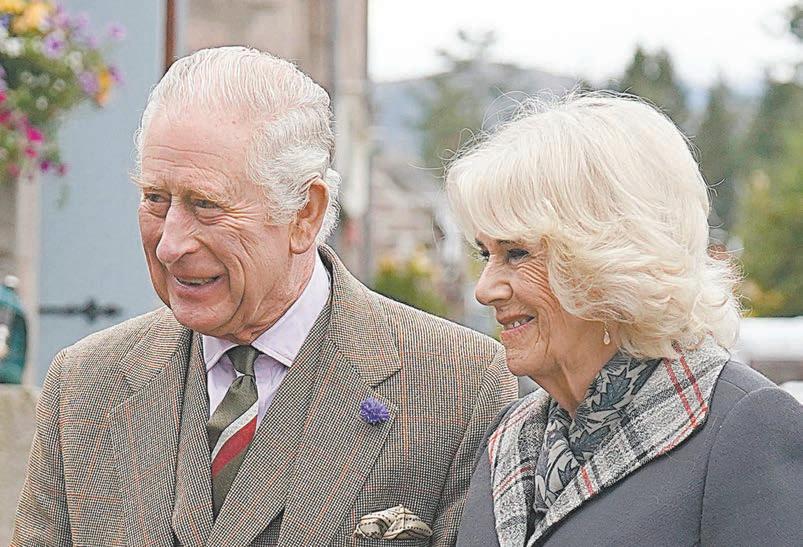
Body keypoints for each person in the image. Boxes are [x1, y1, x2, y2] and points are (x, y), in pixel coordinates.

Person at [12, 47, 517, 546]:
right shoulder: (84, 385)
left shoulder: (461, 386)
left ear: (305, 213)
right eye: (155, 199)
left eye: (205, 204)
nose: (170, 244)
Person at [446, 93, 803, 546]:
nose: (485, 289)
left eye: (516, 253)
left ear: (613, 259)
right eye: (486, 254)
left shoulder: (748, 427)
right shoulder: (508, 439)